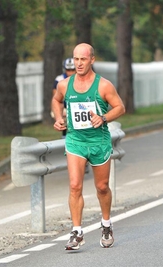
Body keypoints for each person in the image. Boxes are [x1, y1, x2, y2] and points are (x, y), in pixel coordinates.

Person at [52, 43, 125, 250]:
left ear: (92, 60)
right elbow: (56, 101)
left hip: (99, 142)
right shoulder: (65, 85)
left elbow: (120, 107)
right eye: (76, 59)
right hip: (75, 141)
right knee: (75, 185)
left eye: (83, 59)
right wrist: (58, 117)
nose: (79, 63)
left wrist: (103, 117)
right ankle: (77, 232)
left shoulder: (103, 85)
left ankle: (106, 224)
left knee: (102, 187)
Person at [53, 58, 76, 139]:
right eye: (68, 70)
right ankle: (64, 135)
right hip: (65, 106)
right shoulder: (59, 79)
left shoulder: (80, 78)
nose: (70, 72)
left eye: (72, 70)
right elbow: (56, 98)